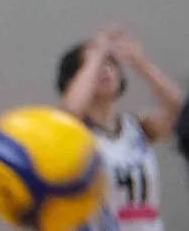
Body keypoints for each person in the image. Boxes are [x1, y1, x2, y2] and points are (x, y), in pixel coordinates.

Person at [61, 27, 182, 230]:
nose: (104, 69)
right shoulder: (74, 132)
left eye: (110, 63)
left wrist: (140, 64)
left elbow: (178, 111)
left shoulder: (137, 127)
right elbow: (70, 111)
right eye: (93, 65)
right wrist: (97, 53)